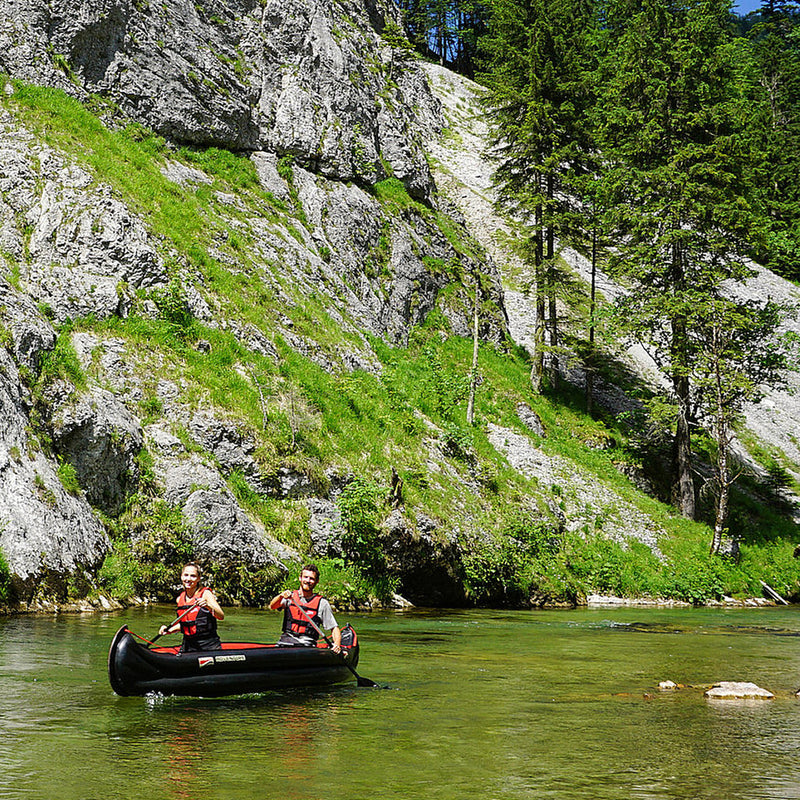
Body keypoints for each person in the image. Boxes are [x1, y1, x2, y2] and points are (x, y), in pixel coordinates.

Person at [269, 564, 341, 653]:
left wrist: (337, 645)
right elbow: (272, 606)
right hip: (285, 642)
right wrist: (280, 596)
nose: (308, 581)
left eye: (311, 578)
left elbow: (334, 628)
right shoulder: (290, 597)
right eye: (305, 577)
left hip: (307, 645)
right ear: (300, 578)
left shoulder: (322, 603)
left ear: (317, 581)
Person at [159, 562, 224, 653]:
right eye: (186, 575)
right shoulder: (179, 599)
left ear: (198, 579)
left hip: (208, 645)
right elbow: (186, 624)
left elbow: (221, 616)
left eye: (193, 576)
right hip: (188, 644)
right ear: (181, 576)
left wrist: (207, 606)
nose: (188, 579)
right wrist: (168, 630)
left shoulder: (205, 594)